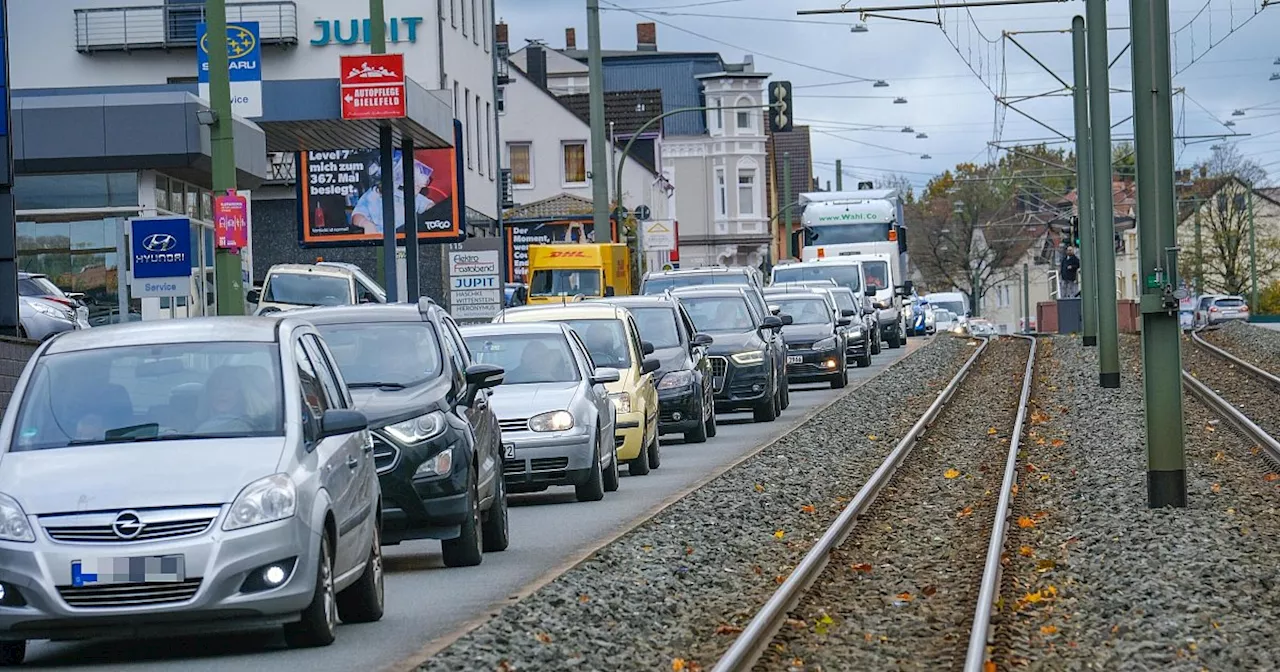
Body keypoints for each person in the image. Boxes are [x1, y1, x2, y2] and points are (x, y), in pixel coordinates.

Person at [350, 153, 436, 235]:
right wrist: (366, 224)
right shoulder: (372, 195)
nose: (418, 186)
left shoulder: (414, 197)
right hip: (381, 241)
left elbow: (432, 208)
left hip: (405, 238)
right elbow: (357, 215)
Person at [196, 367, 256, 434]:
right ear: (208, 394)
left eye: (227, 389)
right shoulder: (192, 431)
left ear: (240, 394)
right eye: (216, 389)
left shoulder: (254, 428)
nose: (221, 393)